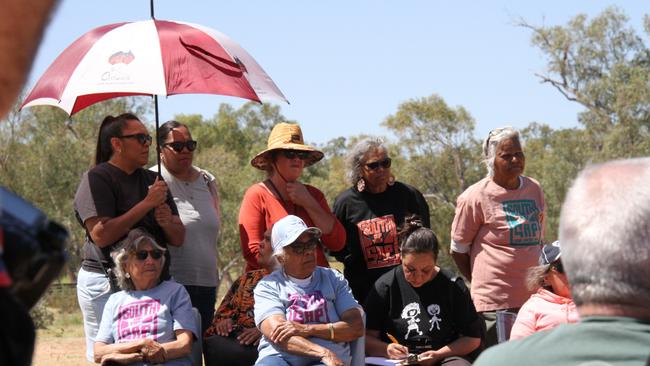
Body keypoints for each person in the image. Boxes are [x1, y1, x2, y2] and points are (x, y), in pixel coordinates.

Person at [474, 157, 650, 365]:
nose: (573, 272)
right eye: (564, 266)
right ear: (546, 275)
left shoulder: (498, 361)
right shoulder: (533, 308)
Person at [74, 113, 185, 361]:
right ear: (117, 143)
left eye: (148, 138)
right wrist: (146, 204)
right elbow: (101, 235)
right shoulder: (97, 178)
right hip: (104, 281)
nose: (147, 144)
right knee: (110, 356)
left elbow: (178, 238)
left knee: (153, 351)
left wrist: (166, 222)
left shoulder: (153, 181)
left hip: (152, 281)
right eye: (140, 138)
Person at [450, 126, 544, 347]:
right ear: (490, 160)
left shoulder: (534, 188)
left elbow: (539, 240)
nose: (515, 159)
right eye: (506, 155)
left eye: (518, 153)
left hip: (534, 299)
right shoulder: (474, 196)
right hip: (495, 304)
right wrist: (484, 283)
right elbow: (458, 249)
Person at [365, 215, 482, 366]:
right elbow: (366, 337)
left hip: (443, 357)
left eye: (426, 270)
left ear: (436, 260)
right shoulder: (385, 285)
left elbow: (472, 339)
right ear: (400, 256)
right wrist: (386, 348)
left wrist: (439, 354)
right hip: (398, 361)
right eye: (410, 269)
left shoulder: (453, 286)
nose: (418, 278)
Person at [254, 215, 364, 366]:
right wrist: (323, 352)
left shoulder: (333, 279)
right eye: (298, 247)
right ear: (281, 258)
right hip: (281, 358)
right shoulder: (268, 286)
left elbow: (355, 327)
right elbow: (278, 334)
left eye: (311, 244)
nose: (308, 252)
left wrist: (307, 329)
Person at [333, 138, 430, 303]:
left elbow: (426, 239)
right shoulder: (346, 203)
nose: (381, 169)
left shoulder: (409, 196)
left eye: (385, 163)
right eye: (373, 165)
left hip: (407, 292)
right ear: (359, 170)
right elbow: (336, 248)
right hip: (364, 294)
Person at [239, 122, 345, 272]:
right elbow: (253, 253)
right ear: (272, 159)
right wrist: (297, 274)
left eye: (301, 154)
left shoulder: (314, 195)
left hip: (316, 287)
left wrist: (308, 202)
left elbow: (337, 242)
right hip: (273, 288)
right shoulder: (256, 195)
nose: (297, 159)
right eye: (289, 153)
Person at [94, 228, 197, 365]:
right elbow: (98, 353)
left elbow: (184, 345)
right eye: (141, 255)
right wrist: (140, 344)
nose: (150, 261)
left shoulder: (175, 292)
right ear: (125, 267)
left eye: (156, 254)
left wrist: (133, 357)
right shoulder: (115, 301)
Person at [156, 120, 221, 334]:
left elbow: (213, 227)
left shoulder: (207, 180)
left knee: (203, 347)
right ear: (160, 150)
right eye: (177, 146)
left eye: (190, 145)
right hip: (169, 284)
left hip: (207, 283)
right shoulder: (152, 180)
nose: (185, 151)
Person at [203, 229, 277, 366]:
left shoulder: (296, 284)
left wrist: (264, 331)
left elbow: (298, 322)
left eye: (268, 240)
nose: (260, 244)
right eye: (263, 238)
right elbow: (220, 317)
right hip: (238, 343)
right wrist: (224, 323)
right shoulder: (248, 279)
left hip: (272, 347)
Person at [509, 241, 578, 340]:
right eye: (564, 266)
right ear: (546, 277)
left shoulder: (596, 303)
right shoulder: (533, 308)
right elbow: (518, 348)